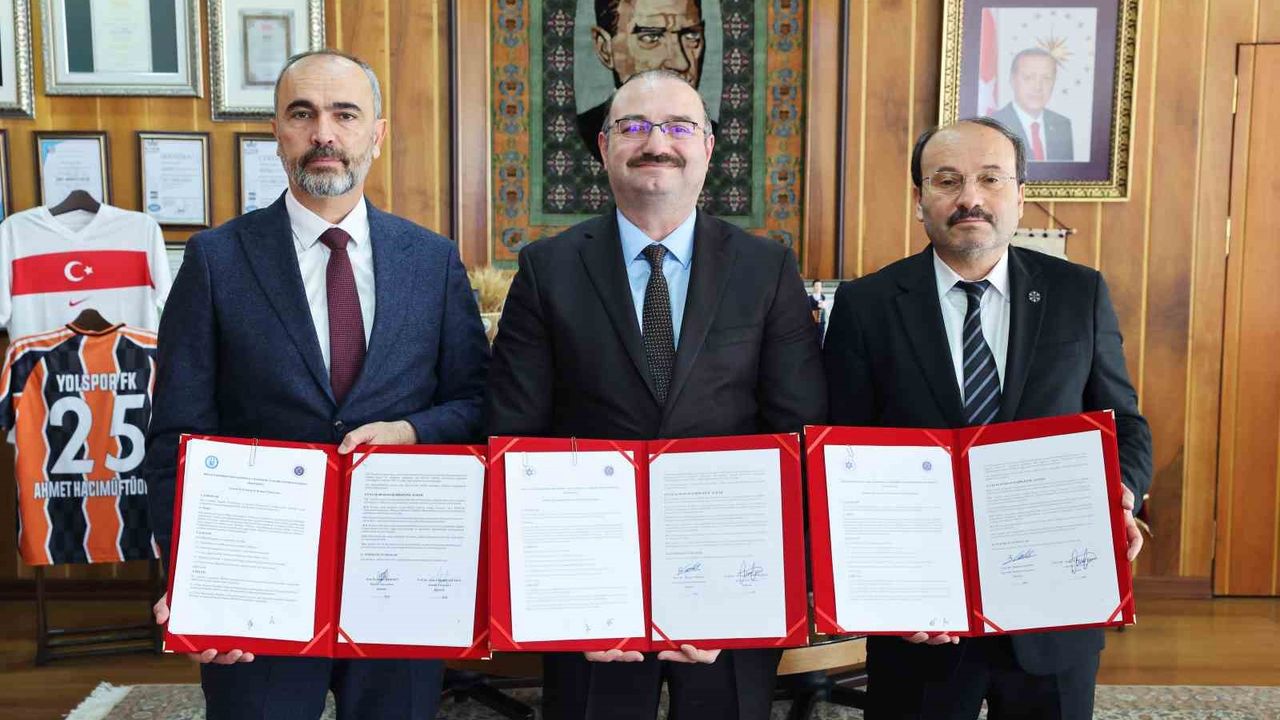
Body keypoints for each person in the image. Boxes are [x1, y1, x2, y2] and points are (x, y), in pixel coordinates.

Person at [142, 49, 489, 719]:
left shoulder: (432, 260)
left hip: (400, 576)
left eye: (345, 114)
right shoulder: (216, 260)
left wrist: (412, 430)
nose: (324, 133)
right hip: (255, 580)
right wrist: (189, 582)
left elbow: (477, 404)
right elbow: (177, 437)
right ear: (277, 132)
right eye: (302, 114)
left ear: (377, 134)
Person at [488, 69, 825, 720]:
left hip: (730, 584)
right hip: (589, 588)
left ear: (708, 146)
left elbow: (798, 433)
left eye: (678, 127)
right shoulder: (546, 268)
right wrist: (566, 594)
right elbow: (516, 434)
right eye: (634, 127)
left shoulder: (766, 268)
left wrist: (744, 593)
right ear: (604, 146)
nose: (656, 143)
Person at [822, 117, 1151, 720]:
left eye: (991, 179)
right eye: (947, 180)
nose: (970, 197)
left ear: (1020, 194)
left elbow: (1126, 425)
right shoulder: (867, 305)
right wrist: (883, 584)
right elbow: (841, 456)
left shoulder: (1077, 294)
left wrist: (1120, 493)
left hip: (1054, 606)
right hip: (922, 616)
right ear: (919, 198)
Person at [578, 0, 709, 161]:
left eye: (691, 36)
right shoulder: (583, 135)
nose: (681, 63)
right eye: (651, 37)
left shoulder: (714, 135)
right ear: (605, 48)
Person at [989, 48, 1073, 162]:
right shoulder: (993, 126)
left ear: (1054, 82)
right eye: (1028, 77)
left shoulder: (1062, 125)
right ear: (1012, 80)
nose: (1038, 87)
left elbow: (1067, 172)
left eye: (1046, 78)